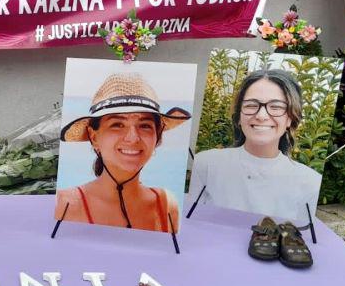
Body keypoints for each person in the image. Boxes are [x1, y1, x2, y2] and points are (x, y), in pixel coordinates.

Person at [55, 73, 190, 233]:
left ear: (157, 137)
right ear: (94, 137)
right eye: (117, 124)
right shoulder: (65, 204)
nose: (133, 138)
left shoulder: (166, 205)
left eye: (145, 125)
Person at [188, 69, 321, 223]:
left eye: (276, 107)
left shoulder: (310, 182)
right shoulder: (205, 164)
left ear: (290, 118)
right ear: (239, 116)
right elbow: (190, 223)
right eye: (251, 105)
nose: (261, 116)